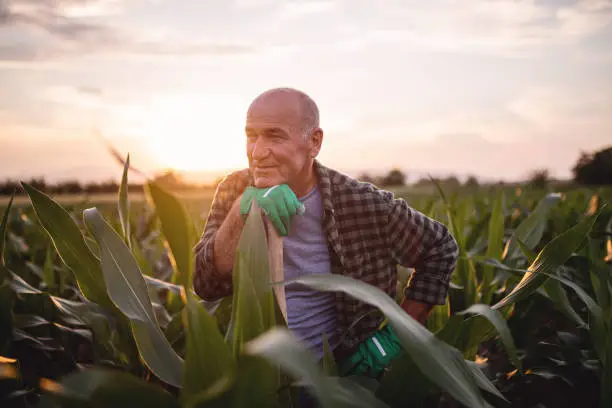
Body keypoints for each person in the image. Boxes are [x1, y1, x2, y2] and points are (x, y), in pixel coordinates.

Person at [193, 87, 459, 396]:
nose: (257, 152)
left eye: (275, 136)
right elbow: (206, 282)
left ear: (314, 142)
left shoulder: (361, 203)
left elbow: (440, 247)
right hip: (255, 382)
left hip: (336, 382)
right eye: (251, 135)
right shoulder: (236, 188)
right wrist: (246, 208)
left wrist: (396, 338)